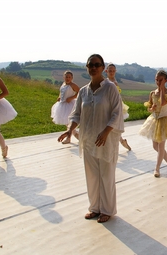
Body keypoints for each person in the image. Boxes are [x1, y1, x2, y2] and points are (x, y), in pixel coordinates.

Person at [58, 54, 124, 224]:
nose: (93, 67)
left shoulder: (110, 89)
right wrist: (70, 130)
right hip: (88, 139)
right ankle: (94, 207)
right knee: (92, 175)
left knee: (106, 175)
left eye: (96, 64)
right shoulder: (84, 91)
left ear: (102, 68)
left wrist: (106, 132)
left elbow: (117, 113)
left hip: (106, 141)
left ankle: (107, 210)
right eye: (90, 65)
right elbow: (76, 114)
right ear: (87, 68)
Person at [139, 70, 167, 177]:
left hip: (164, 121)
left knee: (160, 146)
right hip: (154, 120)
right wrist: (152, 108)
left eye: (160, 80)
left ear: (165, 80)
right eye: (157, 80)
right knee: (155, 146)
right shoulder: (152, 93)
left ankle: (157, 169)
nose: (158, 82)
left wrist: (162, 89)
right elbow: (149, 109)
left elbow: (163, 102)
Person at [105, 63, 132, 151]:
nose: (111, 72)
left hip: (114, 104)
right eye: (110, 71)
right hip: (107, 104)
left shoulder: (114, 82)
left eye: (113, 71)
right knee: (109, 125)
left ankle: (118, 142)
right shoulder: (105, 81)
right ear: (106, 71)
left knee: (113, 125)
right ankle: (121, 141)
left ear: (115, 71)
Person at [51, 70, 80, 143]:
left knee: (69, 123)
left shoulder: (72, 85)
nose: (68, 78)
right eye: (66, 77)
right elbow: (61, 92)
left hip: (70, 105)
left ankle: (70, 138)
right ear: (64, 77)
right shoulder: (63, 84)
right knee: (67, 123)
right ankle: (77, 136)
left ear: (72, 78)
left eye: (69, 77)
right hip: (62, 104)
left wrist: (72, 97)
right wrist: (59, 97)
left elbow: (79, 92)